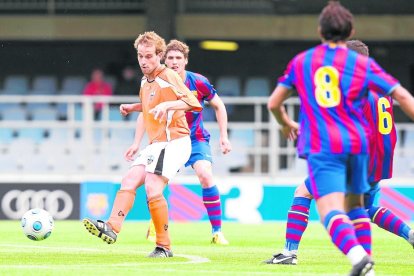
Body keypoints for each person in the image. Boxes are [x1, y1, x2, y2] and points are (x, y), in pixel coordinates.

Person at [266, 2, 414, 275]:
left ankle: (295, 252)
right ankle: (381, 255)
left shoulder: (306, 62)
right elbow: (403, 97)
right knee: (362, 209)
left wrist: (286, 123)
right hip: (370, 151)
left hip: (331, 148)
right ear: (350, 30)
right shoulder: (367, 71)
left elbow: (275, 102)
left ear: (320, 30)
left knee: (318, 202)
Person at [82, 31, 202, 258]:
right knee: (129, 180)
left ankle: (164, 247)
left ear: (159, 56)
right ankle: (112, 226)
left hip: (174, 141)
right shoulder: (144, 81)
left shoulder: (168, 75)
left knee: (152, 187)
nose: (144, 61)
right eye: (140, 56)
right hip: (156, 143)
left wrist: (167, 107)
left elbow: (193, 103)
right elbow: (149, 107)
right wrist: (133, 111)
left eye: (149, 56)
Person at [120, 39, 232, 245]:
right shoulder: (157, 80)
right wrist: (136, 142)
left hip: (195, 138)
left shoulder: (198, 82)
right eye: (170, 58)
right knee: (156, 183)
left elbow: (219, 105)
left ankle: (217, 231)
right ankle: (156, 226)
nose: (174, 62)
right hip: (167, 140)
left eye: (178, 58)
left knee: (205, 175)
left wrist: (224, 136)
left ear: (186, 61)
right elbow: (146, 111)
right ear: (164, 59)